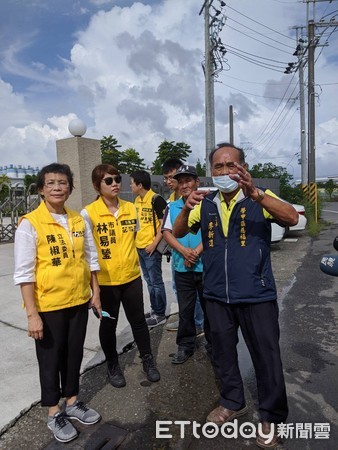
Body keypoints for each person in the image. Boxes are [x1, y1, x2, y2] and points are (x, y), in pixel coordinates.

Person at [173, 143, 298, 449]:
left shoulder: (258, 197)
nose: (225, 172)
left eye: (231, 166)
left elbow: (292, 217)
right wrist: (187, 208)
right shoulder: (205, 202)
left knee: (267, 357)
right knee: (224, 353)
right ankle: (232, 400)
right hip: (216, 295)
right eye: (218, 167)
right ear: (210, 171)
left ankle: (271, 417)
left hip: (256, 294)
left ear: (243, 168)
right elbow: (176, 232)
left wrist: (259, 195)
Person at [14, 163, 101, 444]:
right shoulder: (30, 223)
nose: (57, 188)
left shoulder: (78, 220)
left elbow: (90, 258)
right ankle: (54, 411)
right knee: (50, 359)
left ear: (70, 188)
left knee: (73, 354)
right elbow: (24, 273)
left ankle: (73, 401)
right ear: (41, 189)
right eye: (50, 183)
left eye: (62, 183)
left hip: (78, 300)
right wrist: (32, 315)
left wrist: (95, 292)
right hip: (49, 305)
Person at [82, 164, 160, 389]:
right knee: (108, 325)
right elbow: (88, 253)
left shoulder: (131, 208)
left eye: (117, 179)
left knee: (138, 322)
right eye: (108, 180)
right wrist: (93, 288)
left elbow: (135, 237)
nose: (115, 183)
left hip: (131, 278)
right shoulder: (88, 214)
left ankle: (148, 360)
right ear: (97, 186)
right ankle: (113, 364)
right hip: (106, 283)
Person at [162, 165, 211, 364]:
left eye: (188, 181)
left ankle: (214, 344)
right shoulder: (172, 207)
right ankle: (185, 345)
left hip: (206, 267)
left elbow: (214, 232)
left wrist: (197, 251)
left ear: (197, 182)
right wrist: (183, 252)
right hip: (182, 267)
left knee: (211, 309)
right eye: (180, 181)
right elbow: (166, 232)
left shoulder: (208, 205)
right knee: (185, 310)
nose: (184, 185)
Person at [130, 170, 167, 327]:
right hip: (140, 247)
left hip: (151, 248)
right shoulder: (137, 201)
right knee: (149, 281)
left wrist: (153, 244)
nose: (130, 186)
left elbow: (164, 225)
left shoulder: (156, 200)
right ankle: (154, 309)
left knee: (156, 281)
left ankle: (160, 314)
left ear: (140, 185)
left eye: (132, 183)